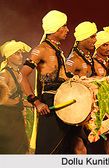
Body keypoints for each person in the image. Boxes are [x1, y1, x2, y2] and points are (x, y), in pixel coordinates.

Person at [20, 10, 71, 154]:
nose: (67, 30)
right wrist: (36, 102)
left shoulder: (58, 50)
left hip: (63, 101)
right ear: (54, 28)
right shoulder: (41, 49)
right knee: (50, 150)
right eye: (64, 26)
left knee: (66, 149)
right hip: (50, 104)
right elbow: (22, 75)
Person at [0, 40, 31, 154]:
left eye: (21, 53)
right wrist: (18, 103)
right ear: (8, 57)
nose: (21, 56)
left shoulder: (18, 73)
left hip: (15, 117)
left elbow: (19, 98)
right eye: (17, 53)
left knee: (21, 150)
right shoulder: (4, 74)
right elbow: (1, 100)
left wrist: (34, 103)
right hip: (5, 120)